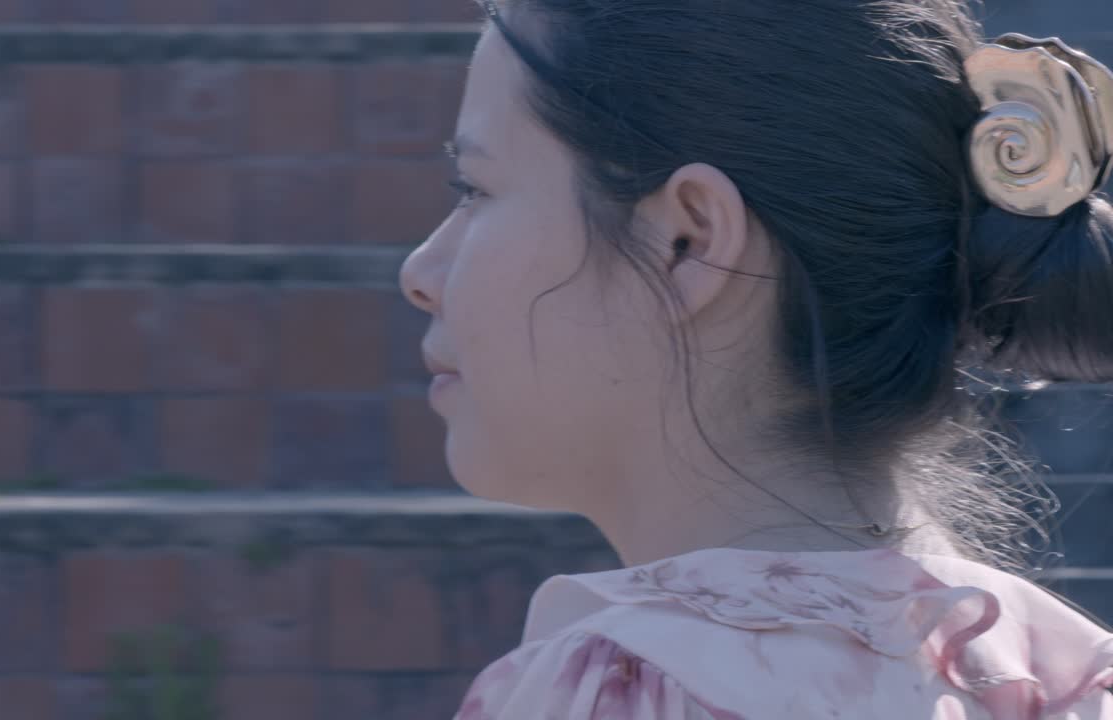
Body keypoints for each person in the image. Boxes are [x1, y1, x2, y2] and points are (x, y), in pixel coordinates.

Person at [398, 0, 1113, 717]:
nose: (420, 273)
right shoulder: (1072, 682)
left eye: (474, 190)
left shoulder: (619, 693)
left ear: (687, 239)